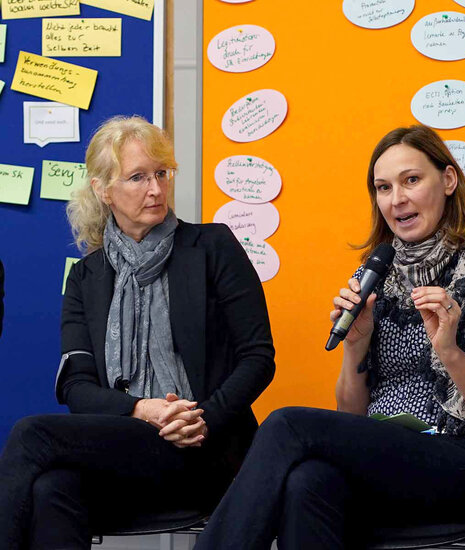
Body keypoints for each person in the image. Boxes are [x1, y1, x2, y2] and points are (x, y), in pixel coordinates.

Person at [195, 124, 465, 549]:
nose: (396, 199)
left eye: (411, 180)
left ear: (449, 180)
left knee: (287, 423)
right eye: (383, 188)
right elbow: (351, 416)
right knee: (307, 481)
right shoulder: (374, 276)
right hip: (379, 454)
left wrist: (450, 352)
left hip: (464, 463)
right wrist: (356, 343)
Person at [0, 116, 275, 550]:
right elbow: (76, 385)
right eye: (138, 177)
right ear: (103, 190)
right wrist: (141, 410)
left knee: (32, 436)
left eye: (161, 174)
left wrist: (199, 420)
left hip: (206, 450)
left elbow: (258, 358)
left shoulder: (212, 247)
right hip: (126, 450)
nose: (156, 189)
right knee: (51, 487)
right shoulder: (87, 277)